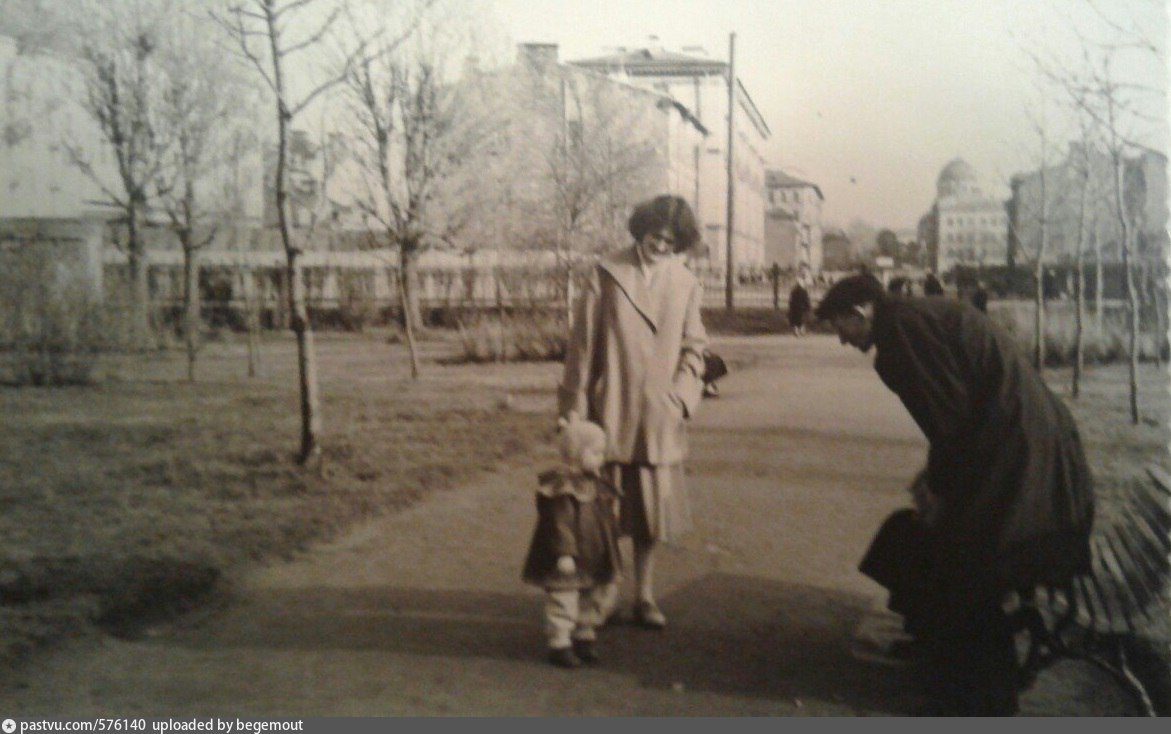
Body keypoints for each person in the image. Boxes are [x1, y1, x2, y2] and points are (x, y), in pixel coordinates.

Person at [814, 274, 1094, 715]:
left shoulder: (903, 331)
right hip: (1018, 451)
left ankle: (982, 700)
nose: (842, 340)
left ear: (860, 312)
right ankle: (941, 655)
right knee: (916, 538)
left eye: (840, 326)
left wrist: (939, 488)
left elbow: (951, 422)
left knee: (966, 567)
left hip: (1018, 461)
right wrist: (936, 481)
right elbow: (955, 419)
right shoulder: (909, 321)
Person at [559, 194, 708, 631]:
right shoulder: (607, 273)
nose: (660, 246)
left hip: (658, 415)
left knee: (648, 515)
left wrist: (681, 397)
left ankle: (645, 595)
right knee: (602, 511)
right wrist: (574, 410)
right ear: (640, 230)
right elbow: (582, 348)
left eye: (670, 241)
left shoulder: (685, 282)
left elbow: (695, 347)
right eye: (654, 236)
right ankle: (605, 593)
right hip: (610, 408)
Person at [522, 414, 623, 668]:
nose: (601, 458)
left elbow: (604, 513)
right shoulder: (562, 487)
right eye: (595, 453)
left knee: (593, 592)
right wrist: (564, 552)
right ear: (577, 453)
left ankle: (584, 633)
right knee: (564, 596)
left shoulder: (595, 483)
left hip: (594, 550)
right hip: (569, 555)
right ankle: (559, 641)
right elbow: (560, 523)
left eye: (602, 453)